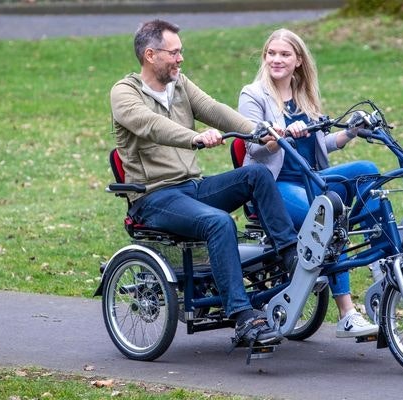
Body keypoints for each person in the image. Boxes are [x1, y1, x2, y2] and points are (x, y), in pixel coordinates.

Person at [110, 19, 299, 346]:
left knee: (256, 174)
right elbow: (151, 125)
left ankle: (291, 256)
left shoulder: (179, 84)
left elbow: (214, 109)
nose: (180, 59)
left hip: (191, 188)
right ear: (151, 55)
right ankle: (242, 317)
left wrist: (260, 130)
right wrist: (194, 138)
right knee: (218, 222)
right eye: (174, 53)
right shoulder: (124, 93)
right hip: (154, 199)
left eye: (181, 52)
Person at [238, 28, 380, 338]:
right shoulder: (253, 94)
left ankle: (380, 266)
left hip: (310, 178)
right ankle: (346, 313)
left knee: (369, 170)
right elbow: (253, 147)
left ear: (298, 60)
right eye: (271, 53)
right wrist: (282, 135)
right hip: (272, 185)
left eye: (285, 54)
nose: (277, 59)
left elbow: (320, 145)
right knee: (330, 220)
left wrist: (351, 132)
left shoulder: (304, 96)